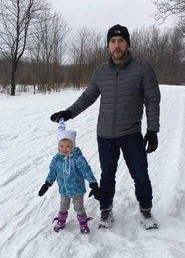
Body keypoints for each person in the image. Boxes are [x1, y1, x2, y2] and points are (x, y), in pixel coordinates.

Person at [50, 24, 160, 229]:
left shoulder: (142, 68)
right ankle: (106, 210)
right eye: (112, 41)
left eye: (120, 41)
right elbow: (88, 97)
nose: (116, 45)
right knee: (107, 175)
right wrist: (69, 112)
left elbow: (152, 100)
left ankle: (146, 211)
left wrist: (152, 129)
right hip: (105, 134)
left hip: (131, 132)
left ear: (127, 44)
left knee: (140, 173)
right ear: (108, 45)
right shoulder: (101, 71)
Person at [38, 119, 100, 234]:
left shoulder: (77, 158)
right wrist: (47, 184)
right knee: (63, 207)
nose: (64, 149)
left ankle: (82, 223)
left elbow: (86, 171)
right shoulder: (56, 159)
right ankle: (61, 221)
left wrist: (93, 183)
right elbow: (52, 172)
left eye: (67, 146)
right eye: (61, 146)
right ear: (58, 145)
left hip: (77, 190)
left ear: (73, 145)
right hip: (64, 190)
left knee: (79, 207)